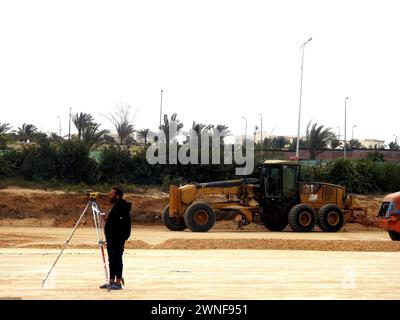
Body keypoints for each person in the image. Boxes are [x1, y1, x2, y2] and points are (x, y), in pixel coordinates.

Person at [99, 187, 132, 290]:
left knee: (117, 259)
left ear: (117, 196)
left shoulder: (121, 207)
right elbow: (115, 221)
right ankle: (111, 281)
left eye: (111, 194)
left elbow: (123, 223)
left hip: (117, 238)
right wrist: (107, 220)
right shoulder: (116, 206)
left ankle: (118, 283)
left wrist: (122, 237)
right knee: (111, 260)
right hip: (111, 238)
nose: (109, 196)